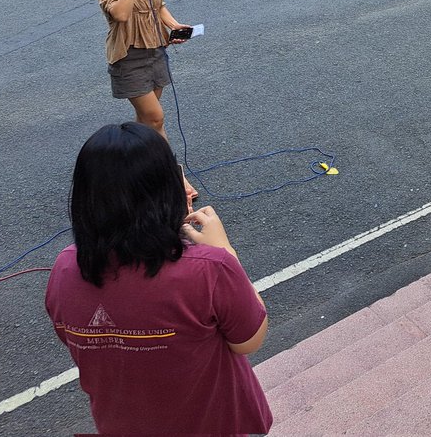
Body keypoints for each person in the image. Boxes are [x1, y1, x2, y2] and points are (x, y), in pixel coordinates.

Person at [45, 123, 272, 435]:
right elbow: (249, 340)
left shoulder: (64, 269)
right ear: (164, 191)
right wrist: (226, 251)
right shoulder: (210, 268)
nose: (190, 190)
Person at [98, 0, 190, 139]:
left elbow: (158, 6)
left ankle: (127, 156)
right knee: (156, 118)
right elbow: (121, 14)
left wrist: (174, 25)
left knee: (146, 120)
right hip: (129, 56)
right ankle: (170, 171)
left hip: (156, 50)